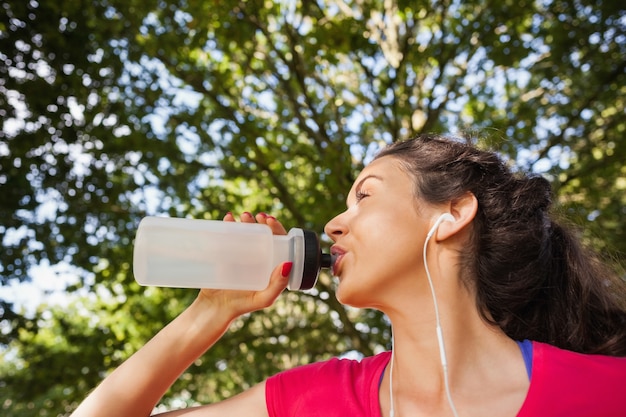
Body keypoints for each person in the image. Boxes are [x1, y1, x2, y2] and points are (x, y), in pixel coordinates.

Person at [71, 133, 626, 417]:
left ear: (452, 212)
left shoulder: (604, 393)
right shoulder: (318, 399)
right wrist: (210, 312)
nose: (336, 223)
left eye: (365, 196)